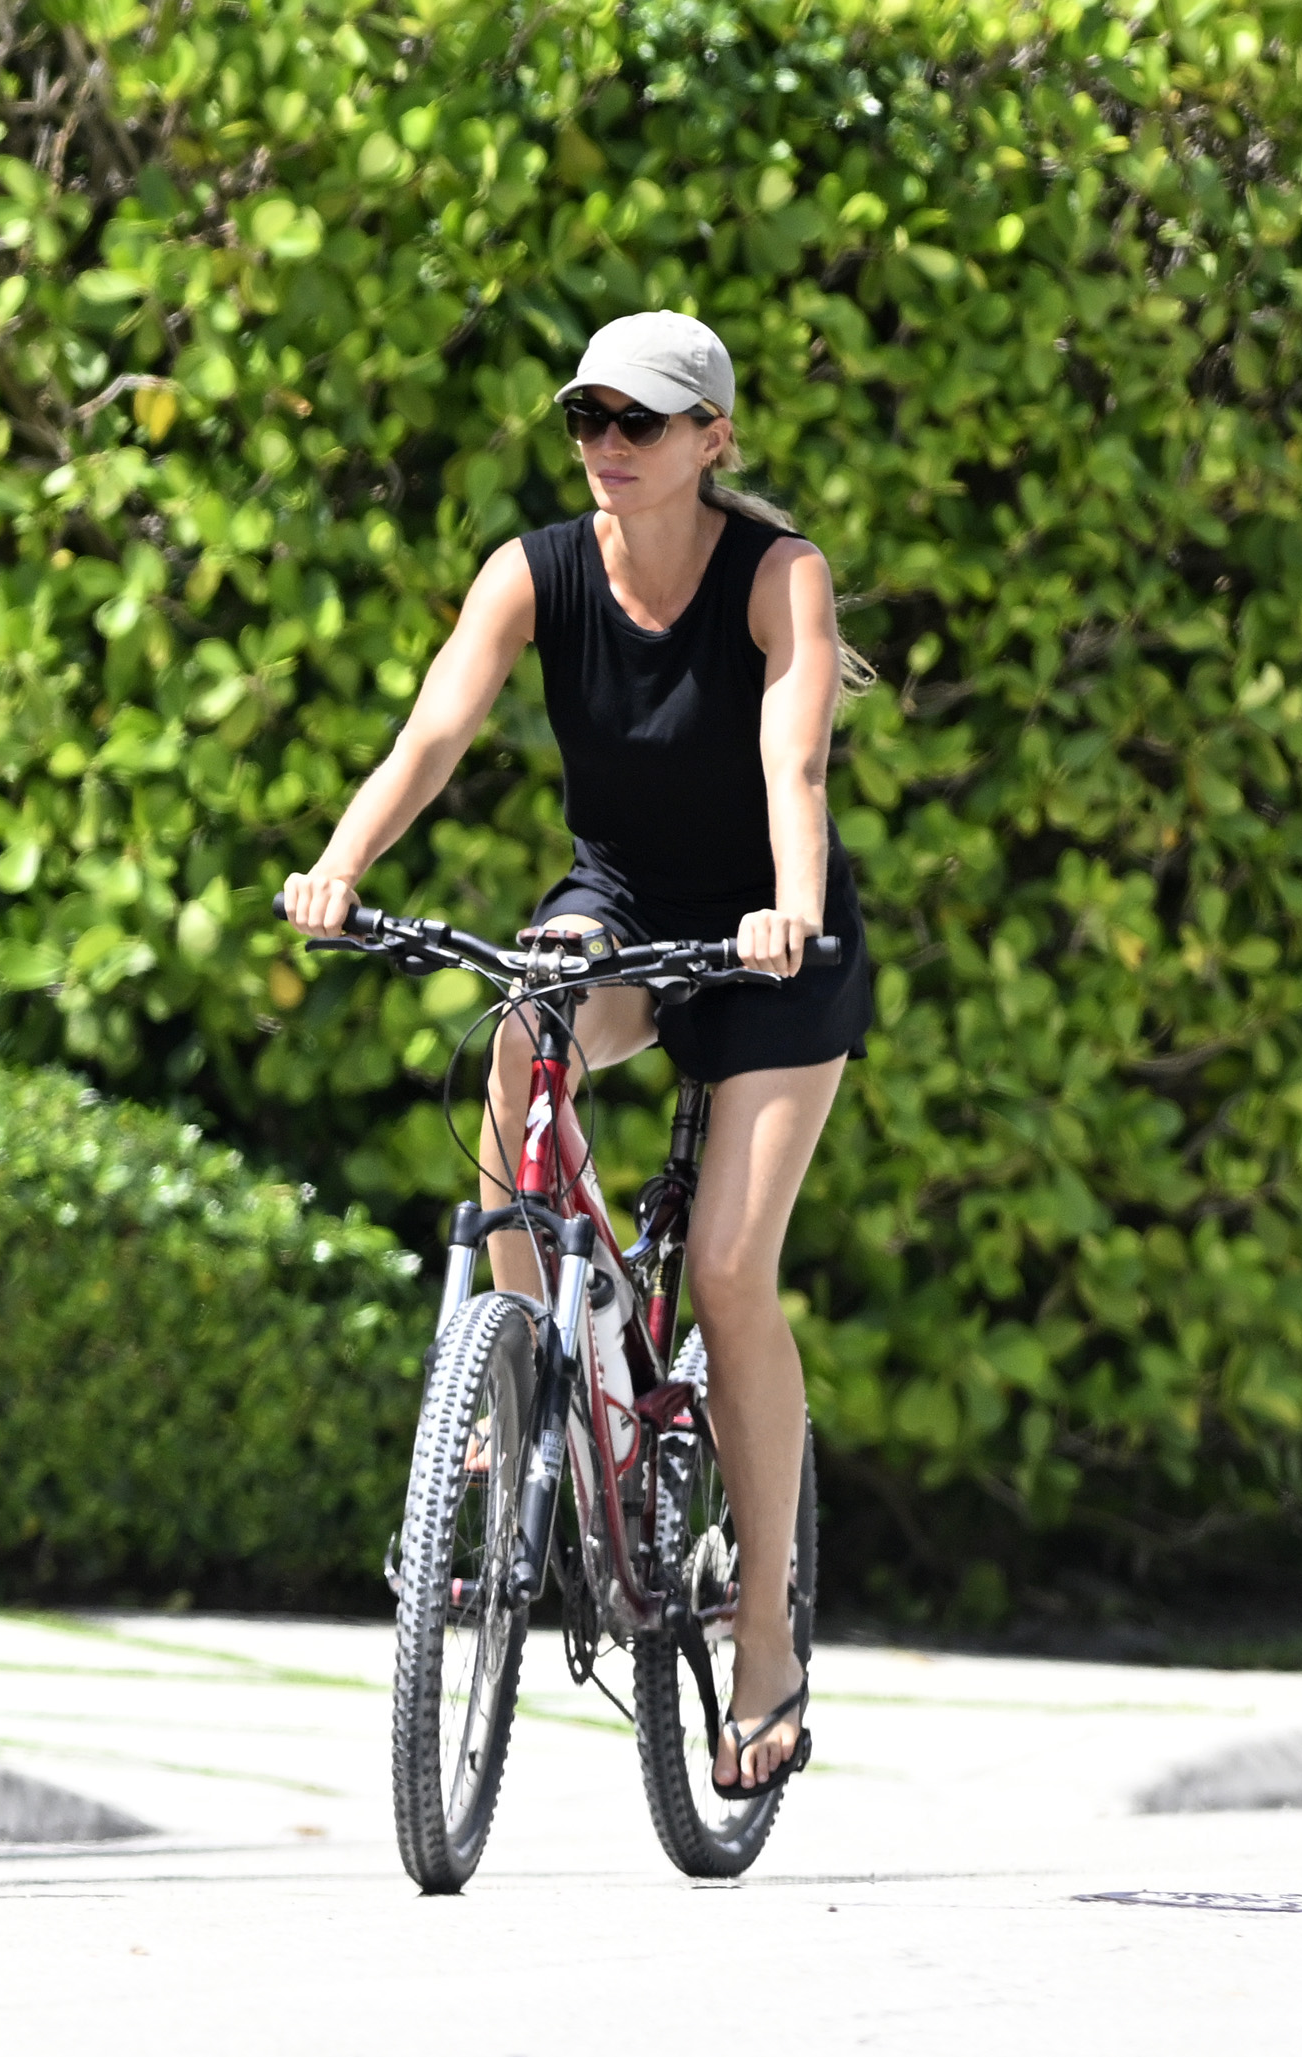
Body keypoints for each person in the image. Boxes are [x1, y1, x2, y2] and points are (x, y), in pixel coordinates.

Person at [281, 311, 869, 1797]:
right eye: (589, 419)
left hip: (765, 942)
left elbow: (791, 759)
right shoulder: (534, 571)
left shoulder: (773, 575)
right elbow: (434, 732)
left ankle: (764, 1637)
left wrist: (791, 909)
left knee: (731, 1270)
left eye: (643, 421)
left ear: (712, 438)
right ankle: (527, 1358)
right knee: (526, 1013)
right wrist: (340, 863)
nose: (609, 445)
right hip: (622, 906)